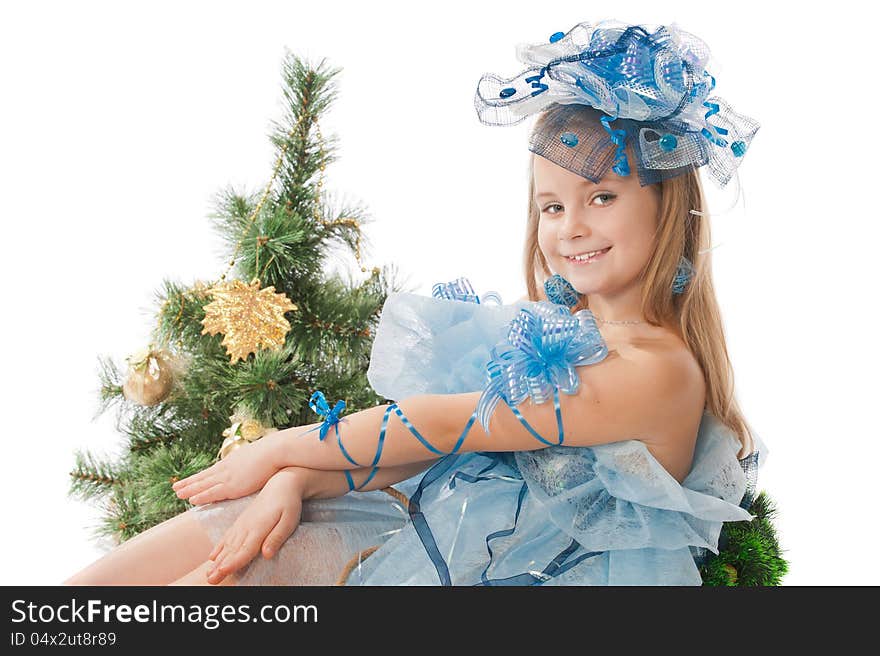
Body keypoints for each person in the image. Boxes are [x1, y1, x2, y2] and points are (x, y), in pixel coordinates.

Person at [64, 19, 766, 587]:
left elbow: (447, 424)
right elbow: (440, 458)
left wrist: (276, 448)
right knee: (96, 595)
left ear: (667, 206)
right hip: (423, 522)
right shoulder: (563, 332)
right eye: (551, 206)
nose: (570, 227)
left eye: (602, 198)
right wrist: (298, 478)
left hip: (497, 571)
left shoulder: (658, 370)